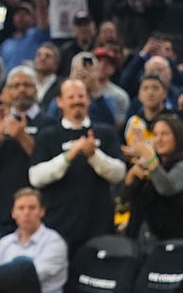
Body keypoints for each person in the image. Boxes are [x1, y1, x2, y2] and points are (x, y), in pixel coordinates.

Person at [29, 79, 126, 255]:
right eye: (71, 97)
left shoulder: (105, 132)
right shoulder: (48, 136)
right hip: (58, 226)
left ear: (88, 99)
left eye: (81, 96)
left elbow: (119, 173)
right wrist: (69, 155)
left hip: (99, 225)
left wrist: (93, 156)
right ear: (60, 101)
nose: (77, 101)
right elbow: (36, 178)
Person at [0, 66, 56, 235]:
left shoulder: (49, 123)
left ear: (36, 90)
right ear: (7, 91)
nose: (21, 90)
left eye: (27, 85)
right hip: (0, 208)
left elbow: (50, 164)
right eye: (16, 86)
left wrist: (21, 136)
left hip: (37, 210)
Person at [121, 113, 183, 241]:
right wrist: (131, 175)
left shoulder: (178, 165)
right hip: (141, 236)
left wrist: (149, 157)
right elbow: (125, 198)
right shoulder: (151, 164)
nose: (159, 139)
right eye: (155, 135)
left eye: (165, 134)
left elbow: (166, 188)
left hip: (173, 240)